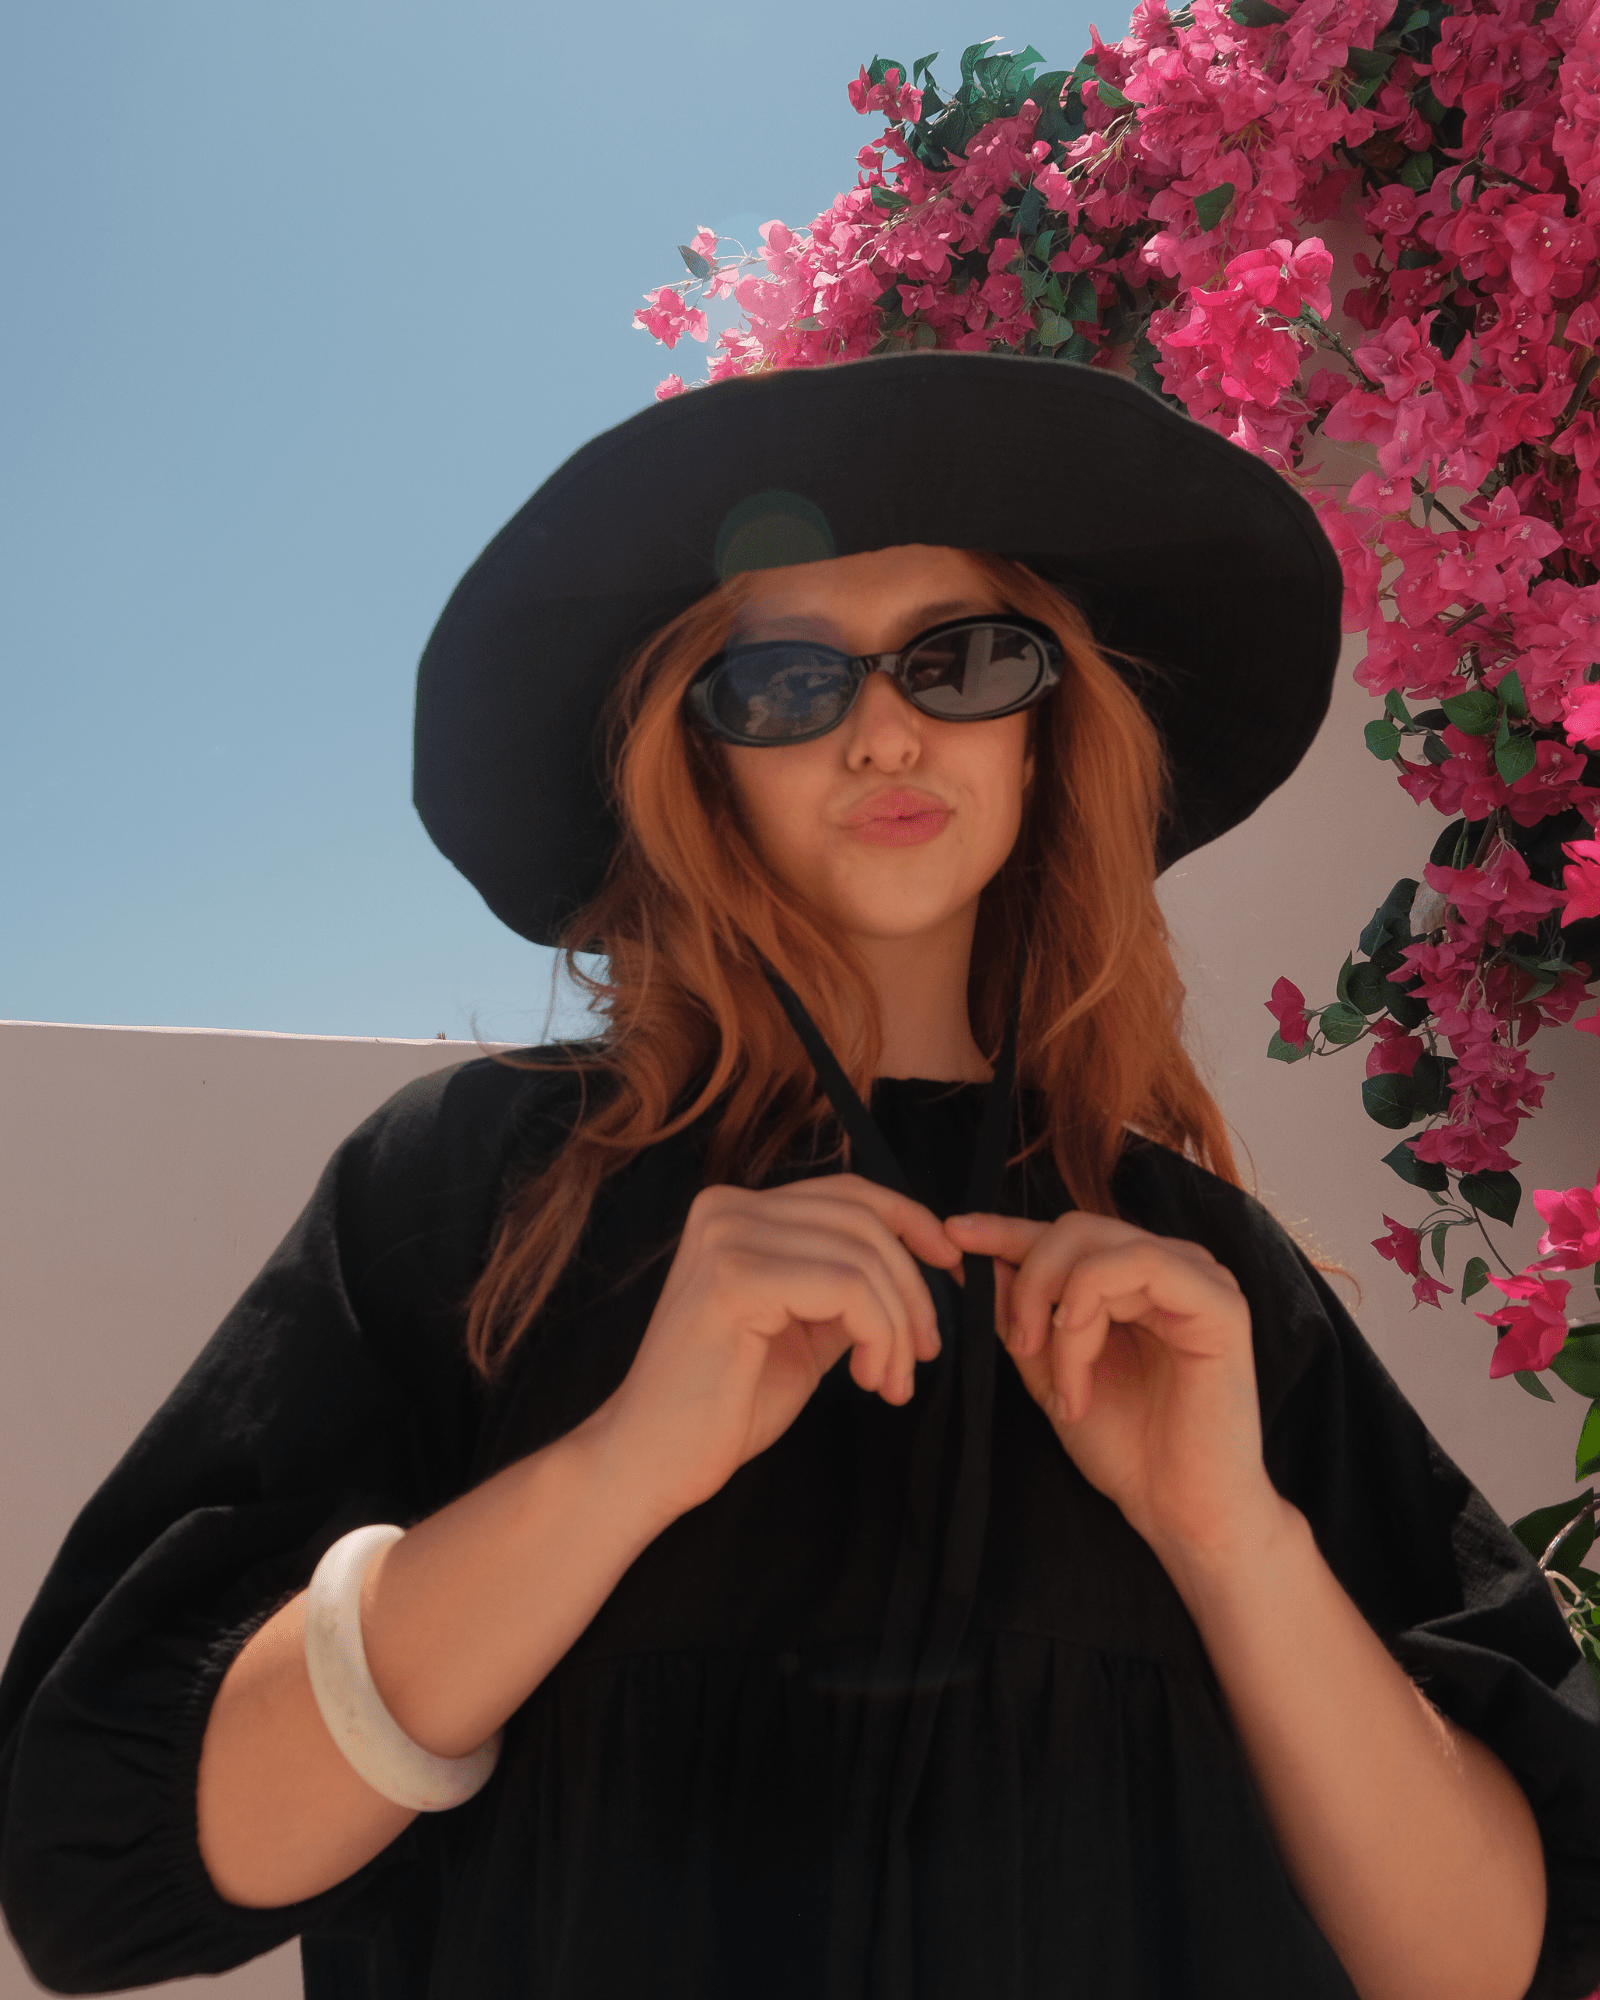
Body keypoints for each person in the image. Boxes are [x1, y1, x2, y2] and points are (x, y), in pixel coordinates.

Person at [0, 354, 1595, 2000]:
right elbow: (97, 1870)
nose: (889, 730)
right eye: (783, 685)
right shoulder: (474, 1194)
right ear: (700, 761)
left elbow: (1496, 1965)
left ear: (1052, 734)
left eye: (967, 661)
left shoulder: (1201, 1282)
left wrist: (1234, 1544)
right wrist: (618, 1466)